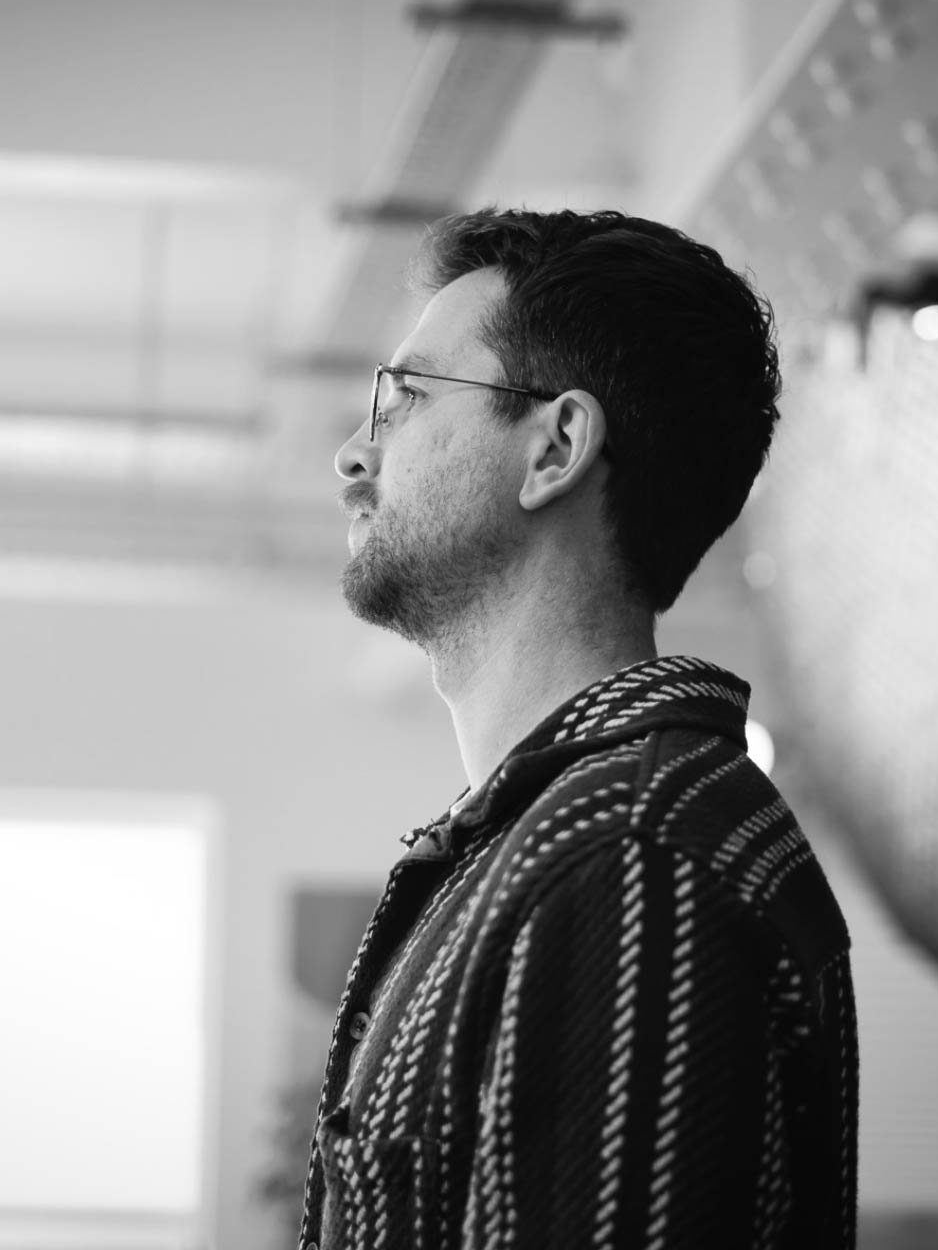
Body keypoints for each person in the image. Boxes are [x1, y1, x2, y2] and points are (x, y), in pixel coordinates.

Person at [297, 208, 859, 1249]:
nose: (351, 456)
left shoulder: (628, 849)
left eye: (406, 398)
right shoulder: (556, 837)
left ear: (554, 446)